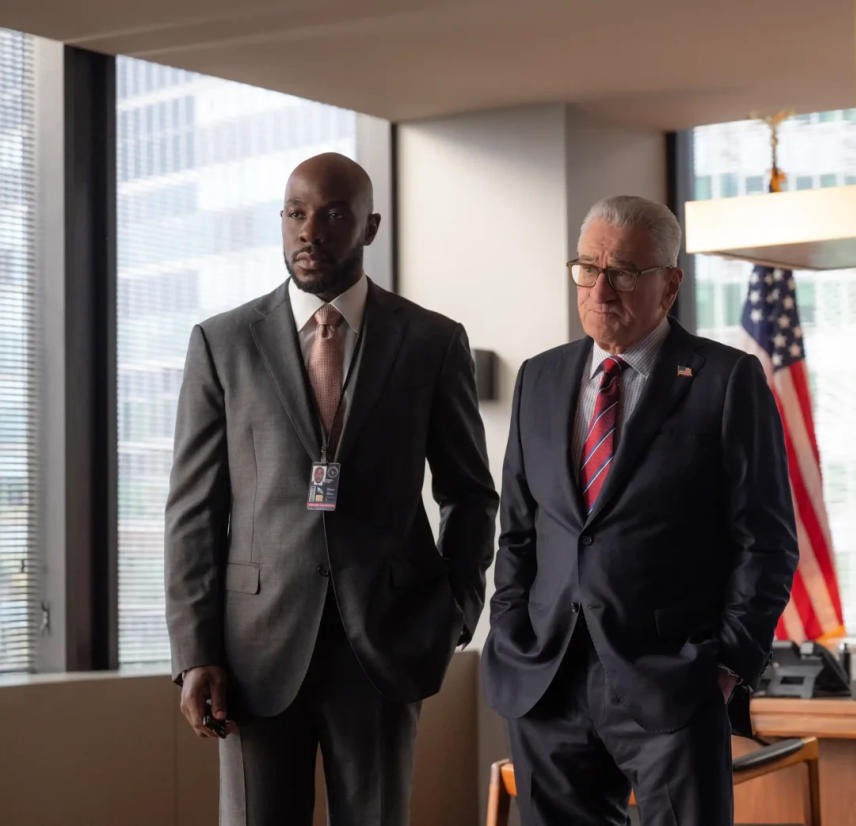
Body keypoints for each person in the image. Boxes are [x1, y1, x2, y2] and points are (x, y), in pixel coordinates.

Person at [164, 152, 498, 826]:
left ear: (370, 226)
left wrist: (457, 610)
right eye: (296, 213)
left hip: (385, 643)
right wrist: (195, 653)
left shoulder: (432, 341)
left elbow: (469, 493)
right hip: (254, 651)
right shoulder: (222, 343)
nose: (309, 231)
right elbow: (194, 511)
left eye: (333, 214)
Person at [482, 195, 798, 826]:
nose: (600, 289)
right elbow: (518, 530)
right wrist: (512, 628)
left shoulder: (727, 379)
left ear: (670, 284)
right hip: (547, 678)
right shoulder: (539, 378)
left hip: (672, 683)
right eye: (587, 268)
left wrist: (727, 663)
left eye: (623, 272)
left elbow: (765, 541)